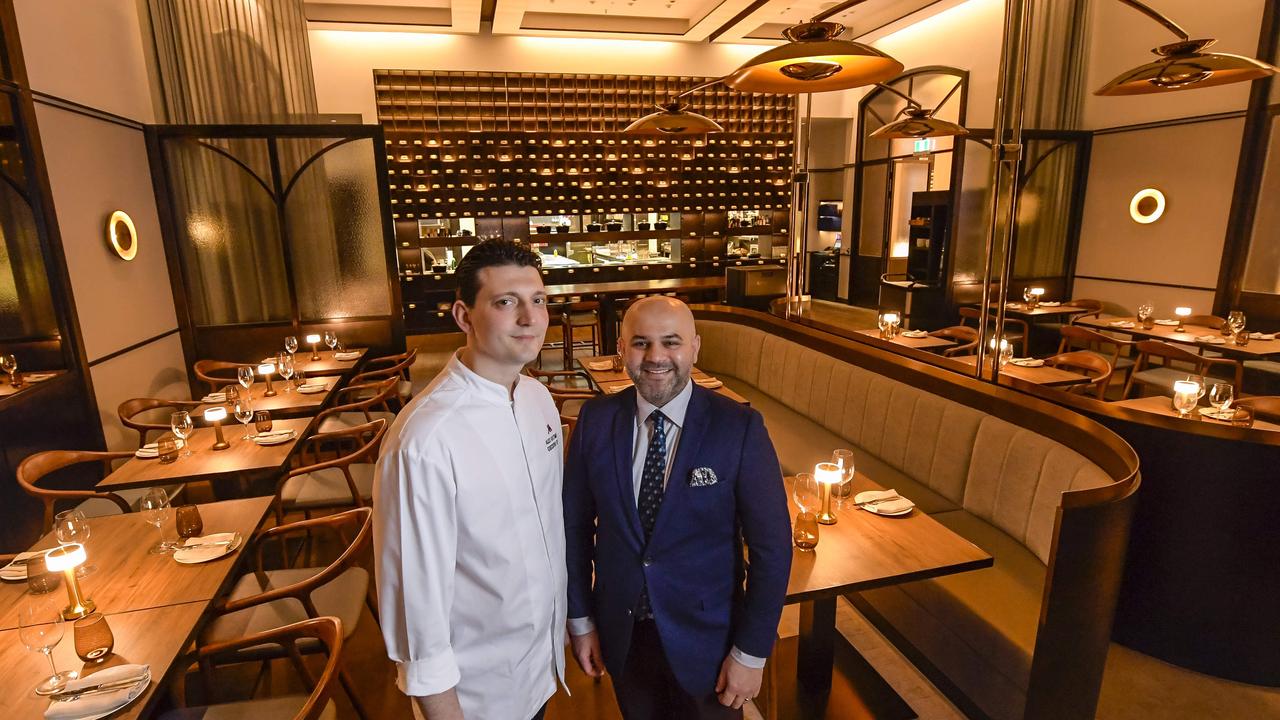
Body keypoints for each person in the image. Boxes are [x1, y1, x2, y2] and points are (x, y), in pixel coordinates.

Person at [564, 296, 792, 719]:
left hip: (710, 644)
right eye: (640, 343)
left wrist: (752, 652)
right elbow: (573, 530)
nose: (655, 357)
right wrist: (581, 621)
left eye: (671, 342)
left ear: (695, 347)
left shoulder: (739, 427)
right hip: (623, 636)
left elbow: (773, 550)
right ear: (620, 349)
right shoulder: (595, 421)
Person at [373, 239, 566, 720]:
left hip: (543, 667)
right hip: (479, 696)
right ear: (464, 316)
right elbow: (416, 610)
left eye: (538, 300)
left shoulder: (539, 399)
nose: (530, 317)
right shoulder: (424, 440)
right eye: (506, 302)